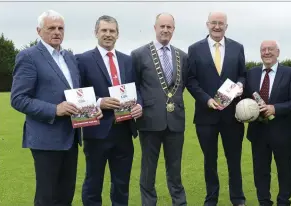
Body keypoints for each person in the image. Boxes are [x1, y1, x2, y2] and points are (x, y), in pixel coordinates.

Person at [10, 10, 102, 206]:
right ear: (39, 30)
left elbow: (77, 93)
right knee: (47, 197)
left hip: (71, 136)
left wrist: (93, 107)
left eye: (60, 28)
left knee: (65, 195)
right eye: (51, 28)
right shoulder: (29, 56)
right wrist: (54, 109)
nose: (57, 32)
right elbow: (18, 98)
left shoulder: (69, 57)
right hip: (46, 139)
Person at [76, 15, 142, 206]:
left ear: (117, 34)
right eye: (104, 30)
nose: (108, 34)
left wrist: (140, 105)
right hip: (96, 131)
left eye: (112, 31)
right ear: (96, 32)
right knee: (93, 183)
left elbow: (137, 89)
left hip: (124, 130)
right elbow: (76, 91)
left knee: (122, 184)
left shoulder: (128, 60)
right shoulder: (83, 60)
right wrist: (98, 102)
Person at [186, 11, 246, 206]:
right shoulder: (195, 49)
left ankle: (237, 199)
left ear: (226, 26)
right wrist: (206, 100)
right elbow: (191, 80)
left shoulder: (238, 48)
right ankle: (211, 199)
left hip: (232, 115)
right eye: (214, 23)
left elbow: (242, 75)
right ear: (207, 25)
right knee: (209, 161)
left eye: (221, 23)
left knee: (234, 160)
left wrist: (240, 86)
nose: (217, 26)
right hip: (206, 115)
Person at [131, 13, 188, 206]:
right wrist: (138, 104)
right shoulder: (139, 54)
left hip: (176, 121)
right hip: (149, 121)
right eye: (162, 26)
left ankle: (180, 203)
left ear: (173, 29)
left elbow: (183, 85)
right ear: (155, 28)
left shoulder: (182, 56)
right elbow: (135, 86)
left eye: (169, 27)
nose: (165, 30)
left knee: (175, 170)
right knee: (148, 171)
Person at [243, 40, 291, 206]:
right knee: (260, 171)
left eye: (271, 49)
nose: (267, 52)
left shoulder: (290, 73)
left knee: (284, 170)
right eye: (263, 49)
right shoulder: (251, 73)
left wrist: (275, 108)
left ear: (278, 52)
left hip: (282, 131)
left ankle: (283, 201)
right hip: (257, 131)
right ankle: (264, 202)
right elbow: (245, 99)